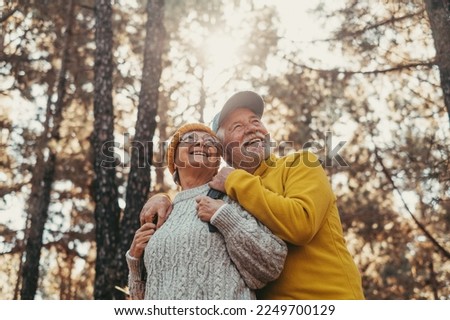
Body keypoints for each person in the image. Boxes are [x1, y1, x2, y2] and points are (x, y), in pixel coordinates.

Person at [141, 92, 365, 300]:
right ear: (225, 152)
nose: (251, 129)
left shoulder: (298, 164)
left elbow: (302, 224)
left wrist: (234, 181)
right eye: (237, 126)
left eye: (256, 121)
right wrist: (163, 198)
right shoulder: (224, 194)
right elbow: (190, 197)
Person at [126, 123, 287, 300]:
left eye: (210, 142)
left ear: (217, 161)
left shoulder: (231, 200)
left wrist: (226, 217)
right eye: (190, 139)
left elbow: (272, 265)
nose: (202, 144)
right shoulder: (161, 214)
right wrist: (134, 262)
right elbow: (140, 300)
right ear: (174, 160)